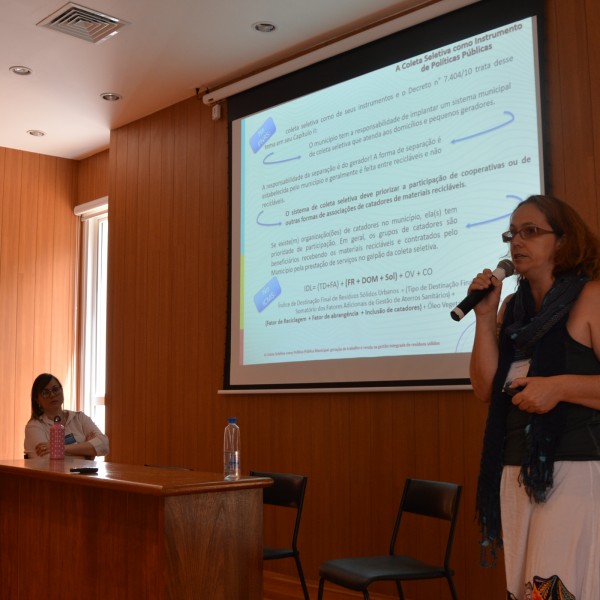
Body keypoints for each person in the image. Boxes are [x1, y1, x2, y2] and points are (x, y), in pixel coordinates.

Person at [469, 195, 600, 599]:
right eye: (512, 233)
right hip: (516, 468)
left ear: (562, 240)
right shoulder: (514, 307)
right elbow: (485, 389)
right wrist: (486, 317)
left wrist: (558, 387)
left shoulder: (591, 297)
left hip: (574, 468)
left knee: (555, 587)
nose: (517, 242)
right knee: (525, 589)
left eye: (531, 232)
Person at [25, 373, 109, 459]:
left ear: (62, 391)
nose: (52, 395)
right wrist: (87, 451)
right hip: (54, 472)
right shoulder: (34, 426)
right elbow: (47, 460)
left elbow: (104, 445)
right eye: (45, 392)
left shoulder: (79, 418)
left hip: (85, 472)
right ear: (37, 400)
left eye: (55, 389)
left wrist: (60, 448)